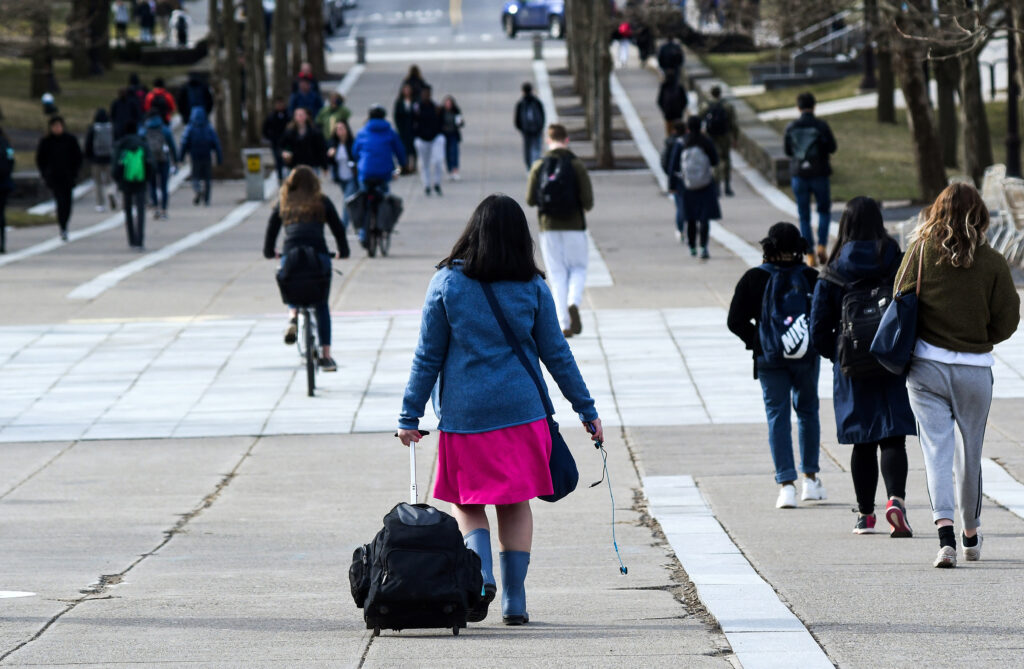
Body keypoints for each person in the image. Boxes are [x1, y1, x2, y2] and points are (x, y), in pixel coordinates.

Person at [397, 193, 604, 626]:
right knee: (514, 503)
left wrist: (409, 416)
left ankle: (482, 575)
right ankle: (515, 600)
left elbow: (427, 356)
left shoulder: (448, 284)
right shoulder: (532, 285)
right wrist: (586, 410)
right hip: (522, 415)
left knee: (468, 502)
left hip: (467, 416)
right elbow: (557, 355)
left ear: (473, 232)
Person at [898, 184, 1019, 568]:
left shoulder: (919, 252)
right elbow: (1009, 319)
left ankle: (945, 536)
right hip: (974, 370)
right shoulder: (994, 262)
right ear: (980, 216)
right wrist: (981, 336)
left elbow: (900, 295)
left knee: (936, 451)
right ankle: (971, 533)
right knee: (971, 453)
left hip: (926, 369)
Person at [809, 197, 916, 536]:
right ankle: (895, 500)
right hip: (890, 358)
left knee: (863, 440)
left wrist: (838, 354)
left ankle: (865, 515)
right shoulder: (895, 259)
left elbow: (817, 329)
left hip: (852, 365)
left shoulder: (834, 268)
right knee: (893, 435)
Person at [727, 222, 825, 509]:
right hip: (805, 357)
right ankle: (811, 480)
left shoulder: (754, 278)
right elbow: (823, 317)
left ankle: (786, 485)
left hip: (769, 359)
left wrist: (758, 341)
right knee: (807, 411)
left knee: (777, 416)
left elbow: (734, 321)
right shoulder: (811, 277)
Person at [263, 165, 350, 371]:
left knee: (290, 285)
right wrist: (343, 251)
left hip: (291, 255)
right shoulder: (322, 202)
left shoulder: (284, 203)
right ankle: (326, 356)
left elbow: (271, 231)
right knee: (321, 304)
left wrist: (270, 252)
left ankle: (292, 316)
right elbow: (338, 229)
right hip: (317, 256)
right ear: (314, 184)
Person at [525, 124, 593, 339]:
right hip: (574, 226)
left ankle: (563, 323)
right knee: (579, 268)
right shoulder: (576, 165)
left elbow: (530, 199)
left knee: (557, 274)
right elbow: (588, 202)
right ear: (567, 139)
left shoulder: (539, 165)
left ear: (548, 140)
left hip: (549, 227)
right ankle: (574, 302)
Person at [784, 92, 837, 267]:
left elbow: (788, 151)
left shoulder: (792, 127)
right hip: (819, 173)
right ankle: (822, 245)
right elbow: (832, 147)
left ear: (798, 107)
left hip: (799, 175)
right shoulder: (821, 126)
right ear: (814, 106)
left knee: (803, 215)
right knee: (823, 210)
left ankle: (810, 254)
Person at [351, 105, 406, 246]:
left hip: (366, 173)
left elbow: (355, 152)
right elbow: (399, 151)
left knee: (364, 199)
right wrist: (403, 164)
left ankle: (363, 232)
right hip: (384, 173)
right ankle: (384, 228)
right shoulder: (390, 132)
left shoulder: (362, 132)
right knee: (385, 198)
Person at [667, 115, 720, 259]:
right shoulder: (706, 142)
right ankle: (704, 247)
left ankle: (692, 247)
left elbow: (673, 166)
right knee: (704, 218)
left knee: (690, 218)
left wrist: (672, 186)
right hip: (705, 184)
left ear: (688, 128)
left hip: (687, 186)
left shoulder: (681, 143)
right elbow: (715, 161)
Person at [35, 116, 83, 242]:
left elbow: (78, 158)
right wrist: (46, 175)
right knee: (60, 202)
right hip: (54, 178)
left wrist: (75, 173)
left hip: (68, 177)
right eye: (55, 126)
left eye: (59, 126)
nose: (57, 128)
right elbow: (41, 160)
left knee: (68, 203)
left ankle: (65, 223)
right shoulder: (46, 142)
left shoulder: (70, 140)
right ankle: (62, 226)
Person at [112, 120, 151, 249]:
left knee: (128, 210)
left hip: (126, 182)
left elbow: (115, 167)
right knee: (141, 210)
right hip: (140, 181)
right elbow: (150, 163)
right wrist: (147, 178)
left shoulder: (121, 145)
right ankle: (140, 239)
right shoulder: (143, 144)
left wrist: (119, 181)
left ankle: (132, 240)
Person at [180, 107, 223, 206]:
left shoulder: (190, 128)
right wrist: (219, 158)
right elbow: (216, 143)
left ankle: (198, 189)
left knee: (195, 176)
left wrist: (180, 158)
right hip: (207, 156)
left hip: (194, 156)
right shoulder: (208, 127)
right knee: (207, 178)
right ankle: (207, 200)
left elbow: (184, 143)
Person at [139, 110, 178, 219]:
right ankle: (164, 210)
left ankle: (155, 208)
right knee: (164, 186)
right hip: (163, 159)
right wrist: (176, 160)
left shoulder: (144, 130)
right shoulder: (164, 129)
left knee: (152, 185)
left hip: (150, 161)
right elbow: (172, 146)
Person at [700, 85, 738, 196]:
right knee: (726, 159)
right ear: (720, 93)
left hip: (711, 136)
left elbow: (699, 119)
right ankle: (727, 186)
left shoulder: (706, 105)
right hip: (725, 136)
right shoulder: (727, 106)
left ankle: (716, 186)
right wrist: (735, 138)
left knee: (715, 160)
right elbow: (733, 124)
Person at [412, 85, 445, 197]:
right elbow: (412, 122)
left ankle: (437, 183)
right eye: (424, 93)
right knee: (424, 163)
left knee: (438, 161)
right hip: (422, 139)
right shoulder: (417, 107)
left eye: (428, 93)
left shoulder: (436, 107)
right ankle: (426, 185)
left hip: (435, 137)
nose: (426, 95)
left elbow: (441, 121)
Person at [84, 108, 119, 213]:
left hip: (96, 160)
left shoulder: (93, 128)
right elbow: (115, 143)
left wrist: (89, 157)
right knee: (110, 181)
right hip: (109, 159)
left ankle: (100, 204)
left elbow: (88, 145)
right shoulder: (111, 128)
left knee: (98, 183)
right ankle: (111, 193)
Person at [327, 119, 357, 228]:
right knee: (350, 201)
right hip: (341, 178)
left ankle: (343, 225)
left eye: (341, 128)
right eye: (337, 129)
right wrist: (330, 155)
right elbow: (330, 163)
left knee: (346, 200)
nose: (339, 131)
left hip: (352, 177)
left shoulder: (352, 143)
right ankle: (355, 221)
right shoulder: (333, 144)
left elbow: (357, 158)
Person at [662, 120, 687, 243]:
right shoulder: (688, 142)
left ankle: (680, 229)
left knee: (680, 207)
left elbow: (666, 163)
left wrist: (670, 182)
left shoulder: (671, 143)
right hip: (689, 178)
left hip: (677, 178)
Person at [280, 108, 327, 173]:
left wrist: (324, 166)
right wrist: (284, 153)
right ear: (294, 117)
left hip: (311, 166)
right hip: (294, 166)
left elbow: (321, 149)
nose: (300, 117)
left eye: (302, 115)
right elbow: (281, 146)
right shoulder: (289, 132)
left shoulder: (315, 131)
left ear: (306, 116)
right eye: (298, 115)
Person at [514, 82, 545, 172]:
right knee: (537, 149)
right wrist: (540, 127)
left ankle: (531, 168)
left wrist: (522, 129)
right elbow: (542, 116)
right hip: (536, 130)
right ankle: (537, 166)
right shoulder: (536, 102)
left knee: (528, 150)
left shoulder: (521, 103)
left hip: (527, 131)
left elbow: (517, 120)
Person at [262, 97, 290, 181]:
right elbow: (265, 128)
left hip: (286, 142)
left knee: (286, 160)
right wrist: (270, 137)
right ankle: (280, 177)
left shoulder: (288, 115)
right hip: (275, 142)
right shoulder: (271, 116)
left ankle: (287, 177)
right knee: (278, 161)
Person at [393, 84, 417, 174]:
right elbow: (397, 116)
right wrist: (399, 127)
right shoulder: (399, 102)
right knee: (404, 148)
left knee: (413, 149)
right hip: (403, 129)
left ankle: (413, 165)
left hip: (413, 129)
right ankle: (405, 165)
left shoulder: (415, 101)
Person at [440, 95, 464, 182]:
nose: (448, 105)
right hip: (445, 135)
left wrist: (460, 122)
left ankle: (455, 170)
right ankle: (450, 170)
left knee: (454, 152)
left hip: (453, 134)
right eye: (447, 103)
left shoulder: (456, 112)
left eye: (449, 103)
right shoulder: (441, 112)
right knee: (447, 154)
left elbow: (461, 123)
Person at [0, 127, 14, 254]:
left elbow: (10, 161)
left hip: (3, 184)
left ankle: (2, 243)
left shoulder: (5, 143)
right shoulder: (6, 143)